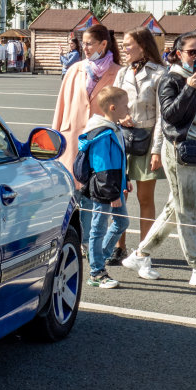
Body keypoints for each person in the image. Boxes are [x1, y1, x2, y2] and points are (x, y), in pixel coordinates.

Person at [122, 31, 196, 289]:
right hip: (180, 151)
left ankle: (140, 255)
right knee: (187, 210)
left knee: (176, 208)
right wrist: (189, 89)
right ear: (178, 54)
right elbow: (170, 116)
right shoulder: (171, 80)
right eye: (192, 52)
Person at [110, 26, 167, 265]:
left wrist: (157, 150)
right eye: (123, 45)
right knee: (119, 195)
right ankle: (118, 246)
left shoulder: (160, 74)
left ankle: (144, 250)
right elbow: (110, 103)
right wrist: (120, 117)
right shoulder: (122, 73)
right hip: (123, 139)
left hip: (147, 140)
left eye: (128, 44)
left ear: (142, 46)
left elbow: (163, 117)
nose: (124, 49)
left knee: (145, 198)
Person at [52, 24, 122, 185]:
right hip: (71, 138)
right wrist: (55, 136)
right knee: (71, 189)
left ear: (103, 44)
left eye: (89, 43)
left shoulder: (118, 73)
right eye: (83, 43)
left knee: (98, 191)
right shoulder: (74, 70)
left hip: (101, 140)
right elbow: (60, 106)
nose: (85, 48)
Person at [79, 86, 131, 289]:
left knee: (121, 223)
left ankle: (98, 257)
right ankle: (96, 272)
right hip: (104, 189)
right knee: (98, 229)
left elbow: (118, 160)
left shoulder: (114, 128)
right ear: (112, 107)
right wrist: (111, 194)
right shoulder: (102, 133)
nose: (128, 108)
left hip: (114, 187)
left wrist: (125, 178)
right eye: (125, 105)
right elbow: (102, 168)